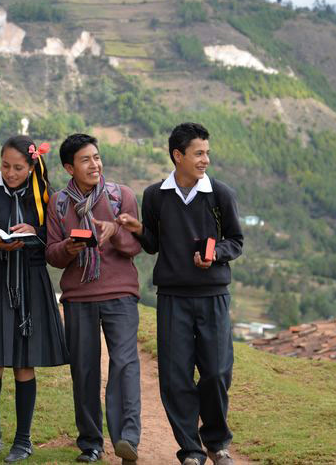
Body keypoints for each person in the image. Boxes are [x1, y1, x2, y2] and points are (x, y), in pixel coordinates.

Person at [118, 122, 243, 465]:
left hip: (213, 296)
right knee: (175, 376)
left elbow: (236, 241)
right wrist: (140, 229)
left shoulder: (221, 195)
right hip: (172, 297)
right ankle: (190, 449)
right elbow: (154, 245)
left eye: (207, 152)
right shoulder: (155, 195)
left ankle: (216, 443)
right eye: (198, 153)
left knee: (217, 371)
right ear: (178, 155)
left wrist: (215, 254)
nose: (205, 159)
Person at [0, 135, 68, 463]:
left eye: (18, 167)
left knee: (24, 363)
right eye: (5, 166)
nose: (10, 173)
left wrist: (34, 232)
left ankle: (23, 440)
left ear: (32, 165)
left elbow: (55, 239)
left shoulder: (46, 197)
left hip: (32, 281)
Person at [46, 133, 142, 465]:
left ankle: (127, 437)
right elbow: (52, 253)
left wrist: (117, 233)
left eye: (97, 157)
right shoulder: (58, 203)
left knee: (125, 363)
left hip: (121, 293)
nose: (95, 165)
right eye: (86, 160)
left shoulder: (121, 196)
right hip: (79, 295)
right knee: (84, 369)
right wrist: (69, 249)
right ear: (69, 167)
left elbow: (135, 247)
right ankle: (90, 443)